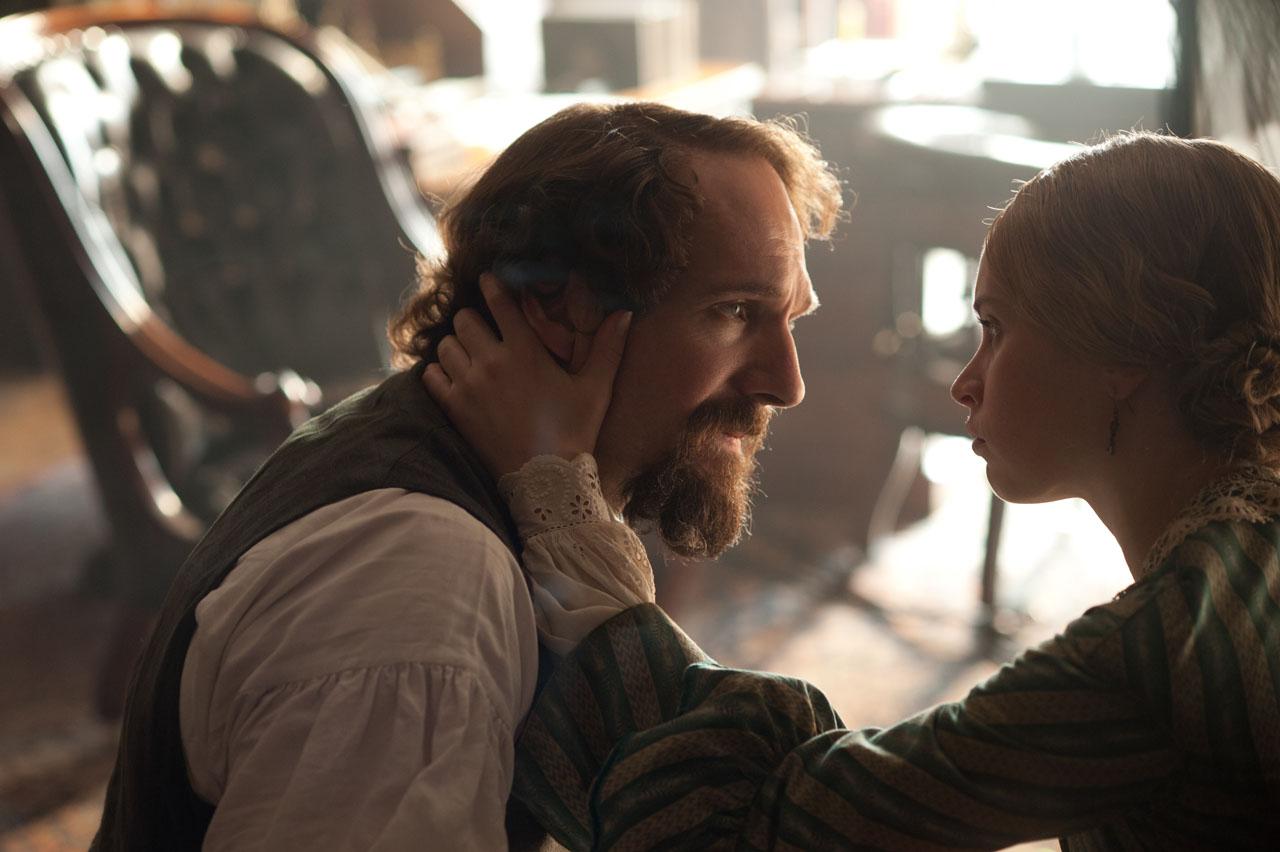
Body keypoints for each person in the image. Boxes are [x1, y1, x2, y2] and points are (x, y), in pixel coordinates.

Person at [426, 131, 1280, 849]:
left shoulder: (1176, 643)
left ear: (1124, 347)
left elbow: (777, 832)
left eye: (995, 328)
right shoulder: (1231, 579)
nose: (966, 382)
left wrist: (562, 505)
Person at [89, 101, 843, 851]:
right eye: (733, 312)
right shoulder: (422, 583)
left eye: (792, 318)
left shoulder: (438, 460)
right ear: (560, 311)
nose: (788, 384)